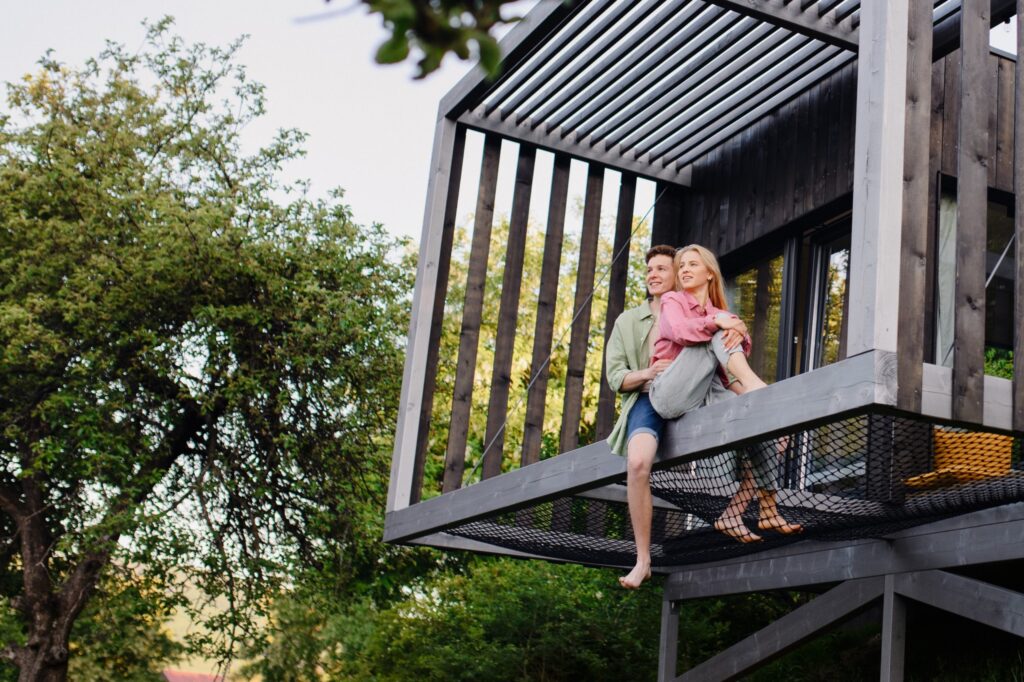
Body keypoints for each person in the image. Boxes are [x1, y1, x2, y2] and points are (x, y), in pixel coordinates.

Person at [652, 245, 801, 545]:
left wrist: (736, 328)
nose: (684, 270)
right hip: (669, 394)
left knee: (763, 428)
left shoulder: (723, 314)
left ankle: (761, 509)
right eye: (681, 266)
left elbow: (728, 362)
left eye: (693, 264)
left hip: (708, 395)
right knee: (716, 332)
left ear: (709, 273)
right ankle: (759, 390)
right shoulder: (672, 300)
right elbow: (681, 331)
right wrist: (719, 324)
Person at [604, 245, 678, 589]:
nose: (653, 275)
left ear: (677, 274)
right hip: (648, 398)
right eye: (650, 270)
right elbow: (616, 377)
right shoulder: (628, 320)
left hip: (693, 398)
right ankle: (643, 559)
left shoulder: (694, 310)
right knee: (636, 464)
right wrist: (648, 372)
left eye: (662, 268)